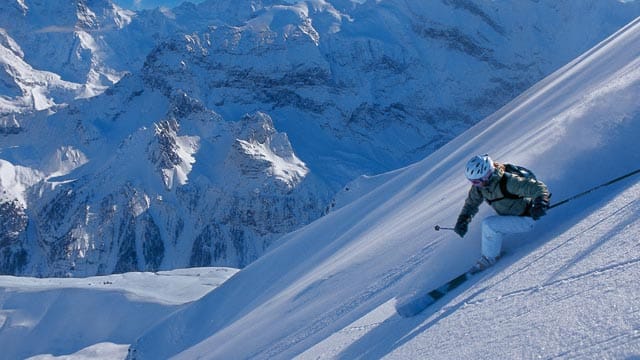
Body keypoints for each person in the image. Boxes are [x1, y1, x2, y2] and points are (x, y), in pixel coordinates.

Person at [454, 154, 550, 273]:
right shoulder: (480, 187)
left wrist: (541, 202)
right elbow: (471, 204)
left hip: (526, 218)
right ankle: (493, 251)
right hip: (510, 216)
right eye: (472, 181)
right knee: (487, 231)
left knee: (489, 225)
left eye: (477, 181)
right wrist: (463, 219)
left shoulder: (508, 181)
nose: (475, 184)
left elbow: (537, 187)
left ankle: (488, 259)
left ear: (487, 175)